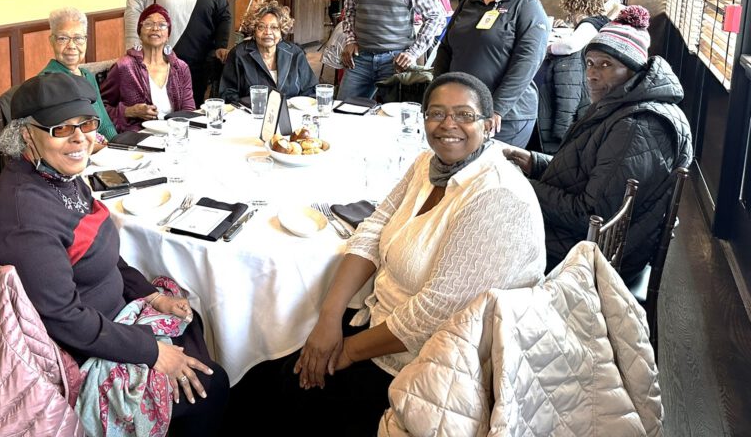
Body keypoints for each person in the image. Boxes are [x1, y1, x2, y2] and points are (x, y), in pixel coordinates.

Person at [226, 73, 544, 436]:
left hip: (433, 363)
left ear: (491, 124)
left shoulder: (497, 197)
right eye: (436, 113)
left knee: (280, 401)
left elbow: (434, 315)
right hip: (378, 322)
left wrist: (341, 352)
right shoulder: (428, 164)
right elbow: (374, 229)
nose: (448, 125)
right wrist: (329, 319)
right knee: (264, 371)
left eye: (464, 115)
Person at [0, 73, 228, 435]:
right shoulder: (25, 218)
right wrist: (153, 353)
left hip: (109, 317)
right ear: (26, 133)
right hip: (78, 354)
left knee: (191, 320)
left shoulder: (59, 176)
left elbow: (102, 251)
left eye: (86, 123)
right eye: (61, 128)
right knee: (211, 385)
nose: (80, 138)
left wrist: (149, 295)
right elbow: (63, 319)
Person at [505, 7, 693, 282]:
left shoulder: (639, 125)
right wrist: (533, 162)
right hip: (589, 239)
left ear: (633, 69)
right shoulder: (619, 104)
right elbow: (588, 171)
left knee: (483, 227)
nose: (592, 74)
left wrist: (520, 185)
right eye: (590, 63)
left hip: (600, 255)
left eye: (606, 65)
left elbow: (593, 216)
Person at [433, 0, 549, 148]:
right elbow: (446, 48)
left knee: (492, 175)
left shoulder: (527, 6)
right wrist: (438, 93)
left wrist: (496, 108)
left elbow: (527, 62)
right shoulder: (469, 2)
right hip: (463, 107)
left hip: (505, 115)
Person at [537, 0, 610, 152]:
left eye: (571, 13)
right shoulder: (602, 20)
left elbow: (570, 46)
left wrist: (547, 47)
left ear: (579, 9)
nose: (571, 18)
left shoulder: (590, 24)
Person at [102, 4, 197, 131]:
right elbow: (100, 107)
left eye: (162, 25)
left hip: (175, 134)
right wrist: (130, 111)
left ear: (168, 34)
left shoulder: (180, 68)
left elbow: (189, 110)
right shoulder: (124, 67)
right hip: (138, 137)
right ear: (139, 32)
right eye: (148, 24)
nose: (155, 28)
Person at [39, 6, 117, 145]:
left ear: (86, 41)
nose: (72, 45)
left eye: (78, 38)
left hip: (102, 151)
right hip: (74, 156)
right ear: (51, 41)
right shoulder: (48, 82)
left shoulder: (87, 76)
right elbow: (64, 139)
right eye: (63, 38)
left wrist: (117, 144)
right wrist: (104, 149)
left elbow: (105, 123)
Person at [219, 0, 318, 103]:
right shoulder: (239, 54)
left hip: (291, 114)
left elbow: (311, 90)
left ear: (281, 31)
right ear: (253, 29)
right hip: (251, 114)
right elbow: (227, 93)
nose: (268, 32)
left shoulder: (295, 53)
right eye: (261, 27)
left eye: (274, 27)